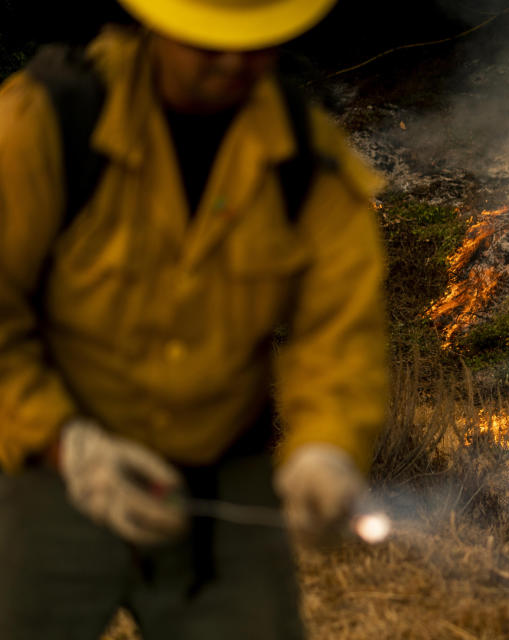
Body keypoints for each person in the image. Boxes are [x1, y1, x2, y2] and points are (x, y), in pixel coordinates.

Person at [0, 1, 387, 638]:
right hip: (57, 472)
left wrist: (326, 446)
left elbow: (339, 333)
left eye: (255, 41)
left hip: (219, 484)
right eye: (211, 44)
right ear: (161, 23)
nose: (235, 62)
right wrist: (61, 440)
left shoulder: (305, 160)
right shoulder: (46, 120)